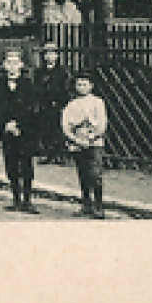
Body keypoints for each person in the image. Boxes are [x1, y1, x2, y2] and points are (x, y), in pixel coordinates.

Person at [0, 49, 40, 212]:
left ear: (21, 64)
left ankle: (27, 200)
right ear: (5, 65)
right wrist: (6, 123)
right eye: (9, 62)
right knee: (11, 165)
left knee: (26, 165)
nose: (12, 66)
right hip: (8, 132)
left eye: (15, 62)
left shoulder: (28, 84)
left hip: (24, 131)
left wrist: (18, 124)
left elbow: (31, 107)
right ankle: (16, 199)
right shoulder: (0, 85)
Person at [62, 72, 109, 218]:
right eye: (79, 84)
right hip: (77, 142)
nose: (82, 87)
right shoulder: (72, 104)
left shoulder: (98, 102)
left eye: (85, 84)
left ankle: (99, 206)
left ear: (91, 86)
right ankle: (86, 204)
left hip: (94, 143)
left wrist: (91, 137)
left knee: (95, 174)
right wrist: (75, 139)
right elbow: (65, 125)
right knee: (82, 174)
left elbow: (102, 124)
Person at [35, 42, 72, 164]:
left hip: (58, 104)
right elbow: (37, 87)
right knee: (45, 129)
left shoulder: (62, 71)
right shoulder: (40, 71)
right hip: (44, 104)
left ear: (56, 56)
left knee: (58, 129)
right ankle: (48, 154)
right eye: (47, 54)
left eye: (52, 53)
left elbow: (65, 88)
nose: (49, 56)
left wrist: (62, 102)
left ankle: (59, 155)